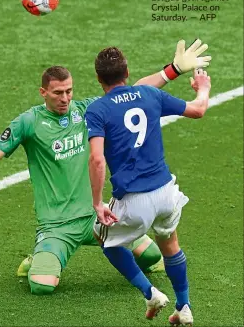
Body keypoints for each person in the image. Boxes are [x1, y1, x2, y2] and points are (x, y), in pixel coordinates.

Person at [0, 39, 211, 296]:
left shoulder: (87, 111)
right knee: (42, 285)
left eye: (69, 91)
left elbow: (132, 93)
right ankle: (40, 257)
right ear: (43, 93)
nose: (65, 98)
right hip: (57, 225)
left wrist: (173, 69)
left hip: (97, 216)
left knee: (153, 258)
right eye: (57, 93)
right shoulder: (29, 122)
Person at [86, 46, 211, 325]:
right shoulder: (148, 94)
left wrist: (97, 203)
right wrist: (202, 87)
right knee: (170, 244)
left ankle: (150, 292)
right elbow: (198, 110)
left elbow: (97, 160)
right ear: (127, 73)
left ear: (98, 79)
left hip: (134, 200)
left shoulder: (97, 110)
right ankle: (184, 306)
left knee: (104, 238)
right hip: (167, 192)